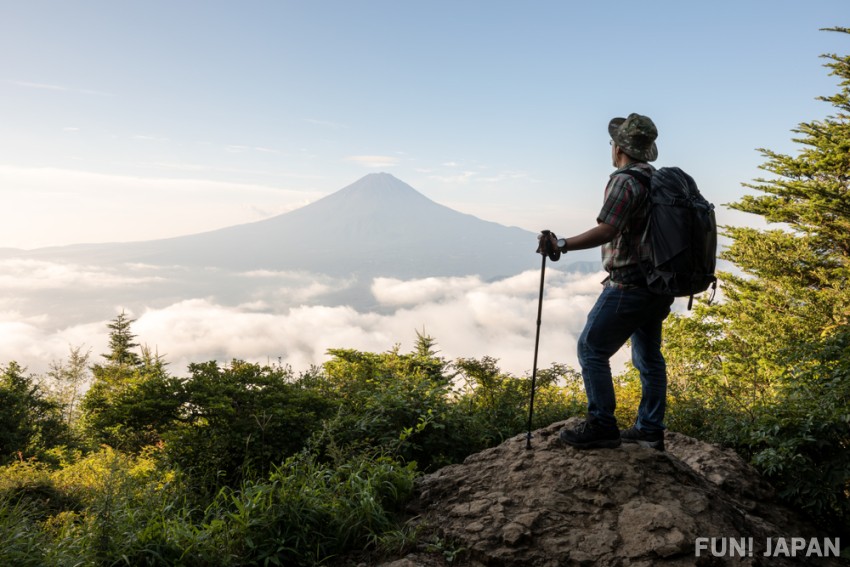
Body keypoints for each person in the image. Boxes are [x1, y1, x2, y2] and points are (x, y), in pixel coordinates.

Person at [540, 113, 673, 451]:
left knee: (591, 348)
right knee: (649, 358)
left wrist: (562, 244)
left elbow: (608, 229)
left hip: (628, 285)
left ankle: (601, 424)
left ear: (618, 149)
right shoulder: (656, 180)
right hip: (658, 285)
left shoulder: (624, 181)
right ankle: (649, 429)